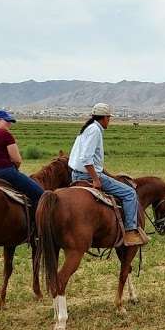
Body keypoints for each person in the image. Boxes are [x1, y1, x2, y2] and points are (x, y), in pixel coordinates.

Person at [68, 103, 149, 247]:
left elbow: (86, 158)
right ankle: (131, 232)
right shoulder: (95, 131)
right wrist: (95, 179)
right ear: (104, 118)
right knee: (130, 193)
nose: (109, 121)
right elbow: (86, 158)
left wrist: (105, 173)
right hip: (87, 176)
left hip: (75, 175)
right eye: (108, 118)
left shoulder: (87, 129)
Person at [0, 109, 44, 208]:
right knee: (41, 195)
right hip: (6, 173)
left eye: (10, 122)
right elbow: (17, 159)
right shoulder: (5, 135)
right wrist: (14, 170)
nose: (9, 124)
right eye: (7, 121)